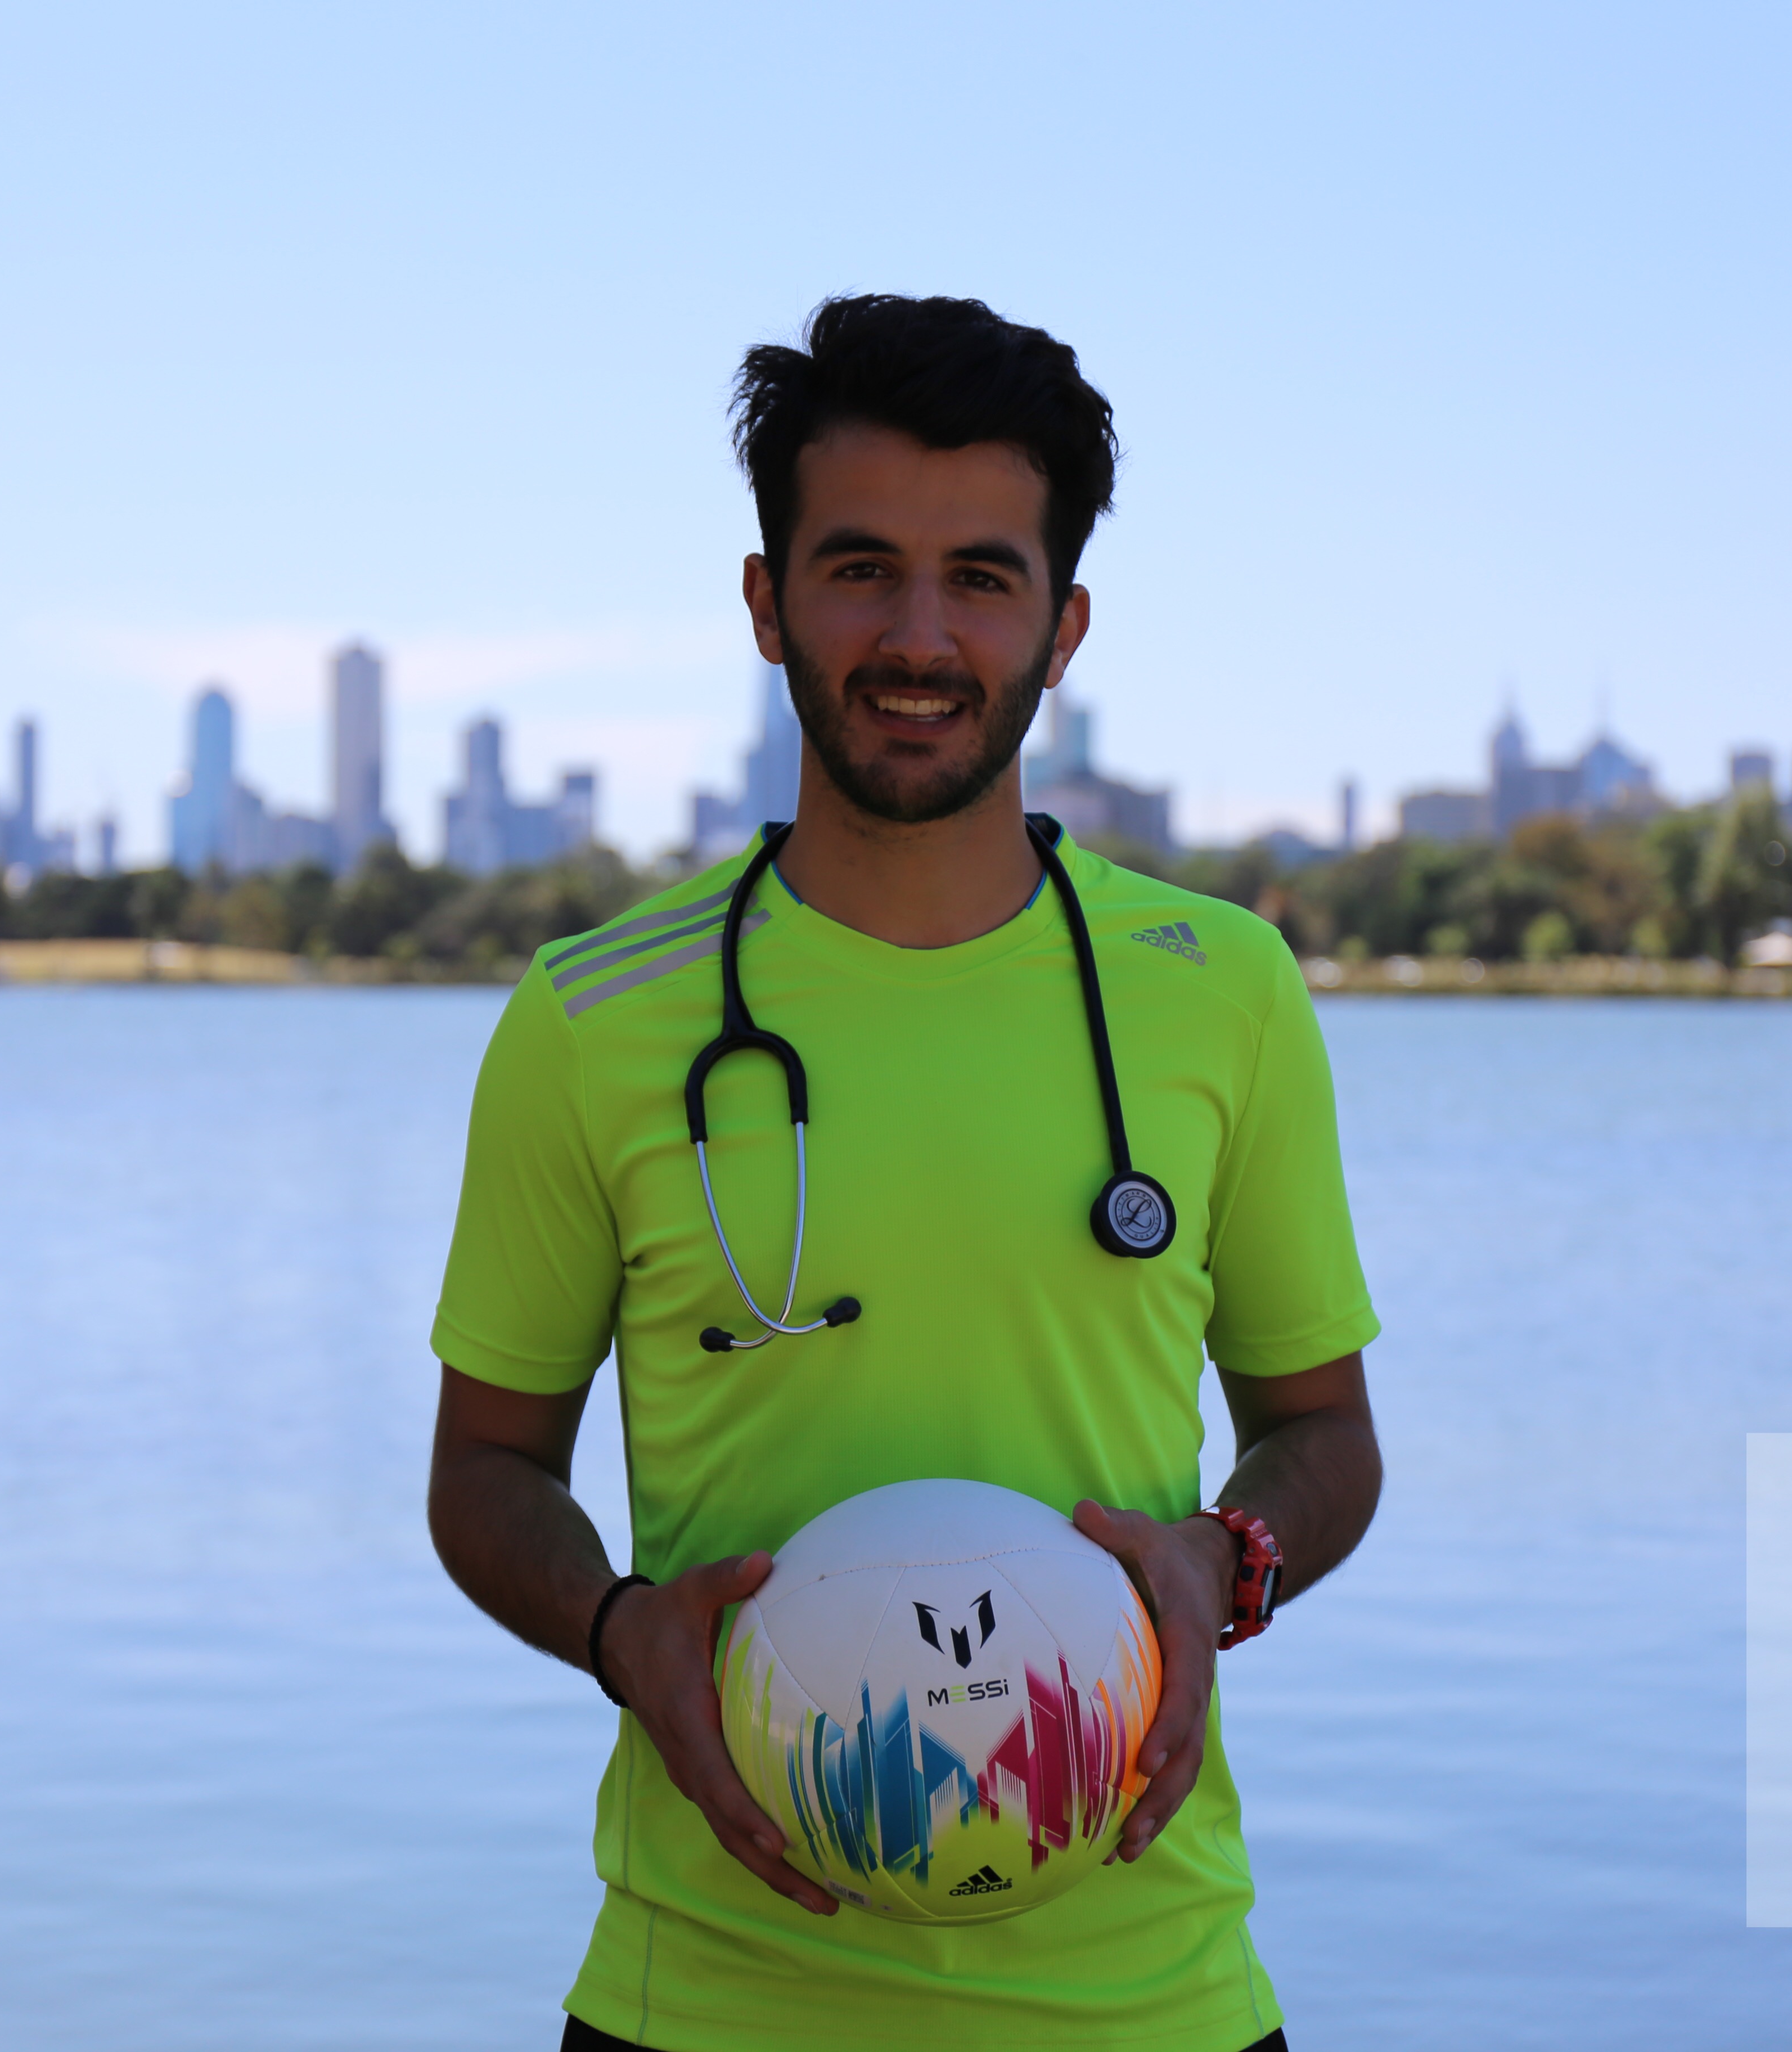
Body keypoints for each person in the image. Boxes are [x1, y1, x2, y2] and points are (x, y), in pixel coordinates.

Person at [426, 295, 1384, 2052]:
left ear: (1064, 625)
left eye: (984, 578)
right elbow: (484, 1475)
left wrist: (1223, 1562)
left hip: (1153, 2004)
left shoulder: (1225, 991)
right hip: (704, 2006)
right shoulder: (593, 1020)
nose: (920, 636)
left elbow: (1325, 1435)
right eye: (860, 568)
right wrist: (620, 1626)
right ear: (766, 600)